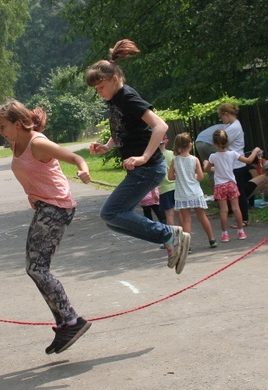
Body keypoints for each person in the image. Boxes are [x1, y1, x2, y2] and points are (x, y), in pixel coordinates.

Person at [86, 39, 191, 274]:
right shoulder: (116, 99)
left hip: (148, 169)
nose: (99, 92)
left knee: (110, 213)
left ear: (114, 80)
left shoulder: (127, 96)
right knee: (114, 221)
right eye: (96, 89)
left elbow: (160, 126)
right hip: (142, 170)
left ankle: (169, 235)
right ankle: (168, 238)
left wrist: (144, 157)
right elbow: (124, 129)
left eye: (100, 87)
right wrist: (107, 145)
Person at [0, 100, 92, 355]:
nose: (0, 131)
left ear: (18, 124)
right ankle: (64, 323)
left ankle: (71, 321)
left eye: (3, 126)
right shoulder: (16, 141)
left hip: (57, 207)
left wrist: (83, 170)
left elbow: (74, 157)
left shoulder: (38, 143)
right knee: (36, 268)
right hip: (46, 207)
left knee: (37, 267)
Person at [195, 103, 251, 224]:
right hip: (234, 163)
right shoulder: (233, 126)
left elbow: (222, 143)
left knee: (239, 194)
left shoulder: (233, 128)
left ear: (226, 114)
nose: (221, 119)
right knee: (238, 193)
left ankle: (244, 219)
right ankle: (242, 219)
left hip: (235, 165)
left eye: (221, 116)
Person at [203, 129, 260, 241]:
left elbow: (206, 169)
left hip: (220, 185)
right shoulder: (233, 154)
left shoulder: (213, 157)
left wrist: (205, 162)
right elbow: (248, 161)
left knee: (223, 210)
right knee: (236, 208)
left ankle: (225, 234)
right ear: (227, 142)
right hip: (231, 184)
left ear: (214, 143)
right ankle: (241, 232)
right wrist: (255, 151)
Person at [168, 133, 217, 249]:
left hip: (182, 193)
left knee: (186, 220)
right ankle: (212, 239)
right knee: (202, 216)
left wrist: (180, 176)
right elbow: (200, 176)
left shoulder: (175, 161)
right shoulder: (194, 160)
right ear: (190, 145)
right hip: (195, 192)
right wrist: (193, 175)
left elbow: (170, 177)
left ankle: (187, 246)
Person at [157, 135, 176, 226]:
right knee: (180, 212)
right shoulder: (172, 154)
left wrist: (153, 191)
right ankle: (184, 231)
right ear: (167, 141)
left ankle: (173, 235)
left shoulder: (155, 157)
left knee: (169, 214)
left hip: (163, 189)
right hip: (175, 186)